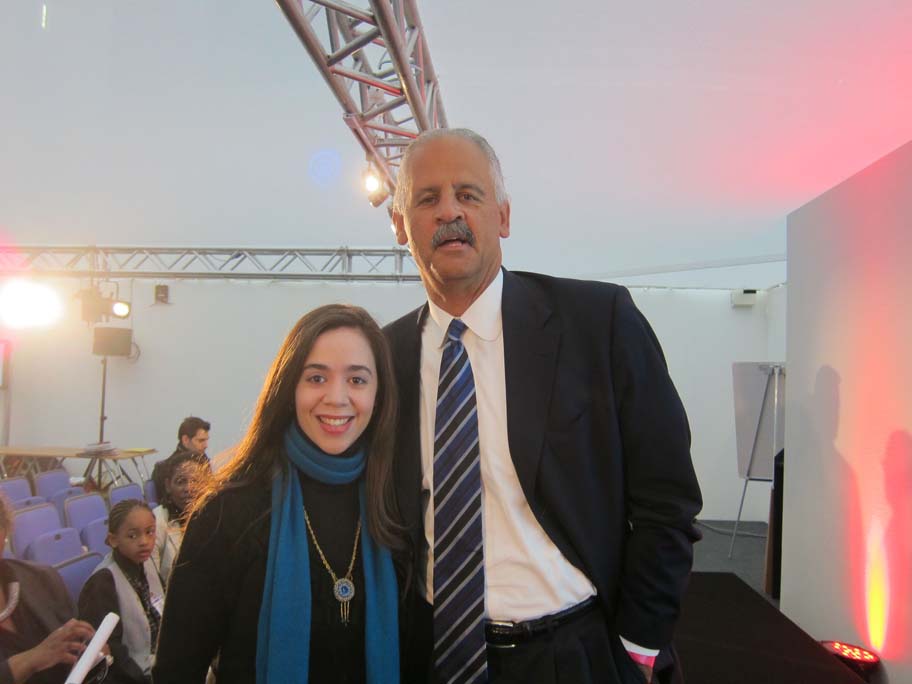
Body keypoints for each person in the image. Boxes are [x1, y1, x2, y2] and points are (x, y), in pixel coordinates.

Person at [384, 128, 703, 684]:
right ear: (399, 225)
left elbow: (667, 499)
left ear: (503, 217)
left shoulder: (597, 322)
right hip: (434, 655)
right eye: (427, 198)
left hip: (574, 655)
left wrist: (639, 644)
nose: (449, 212)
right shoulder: (384, 357)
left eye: (468, 194)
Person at [152, 305, 402, 684]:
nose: (337, 397)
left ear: (379, 394)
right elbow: (176, 670)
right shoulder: (227, 512)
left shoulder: (397, 501)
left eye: (357, 380)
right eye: (316, 378)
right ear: (288, 389)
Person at [0, 494, 104, 684]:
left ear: (5, 530)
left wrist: (91, 653)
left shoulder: (43, 578)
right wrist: (30, 660)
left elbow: (76, 649)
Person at [78, 500, 164, 684]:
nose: (144, 542)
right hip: (131, 675)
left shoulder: (146, 562)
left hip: (159, 658)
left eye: (150, 532)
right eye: (132, 536)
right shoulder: (102, 582)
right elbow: (110, 650)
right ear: (113, 540)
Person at [151, 453, 203, 585]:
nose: (188, 489)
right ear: (168, 486)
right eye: (181, 482)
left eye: (195, 481)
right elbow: (152, 579)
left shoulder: (215, 515)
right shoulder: (157, 520)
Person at [151, 417, 211, 502]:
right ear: (185, 439)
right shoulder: (163, 469)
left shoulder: (204, 460)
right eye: (201, 441)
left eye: (206, 440)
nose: (206, 445)